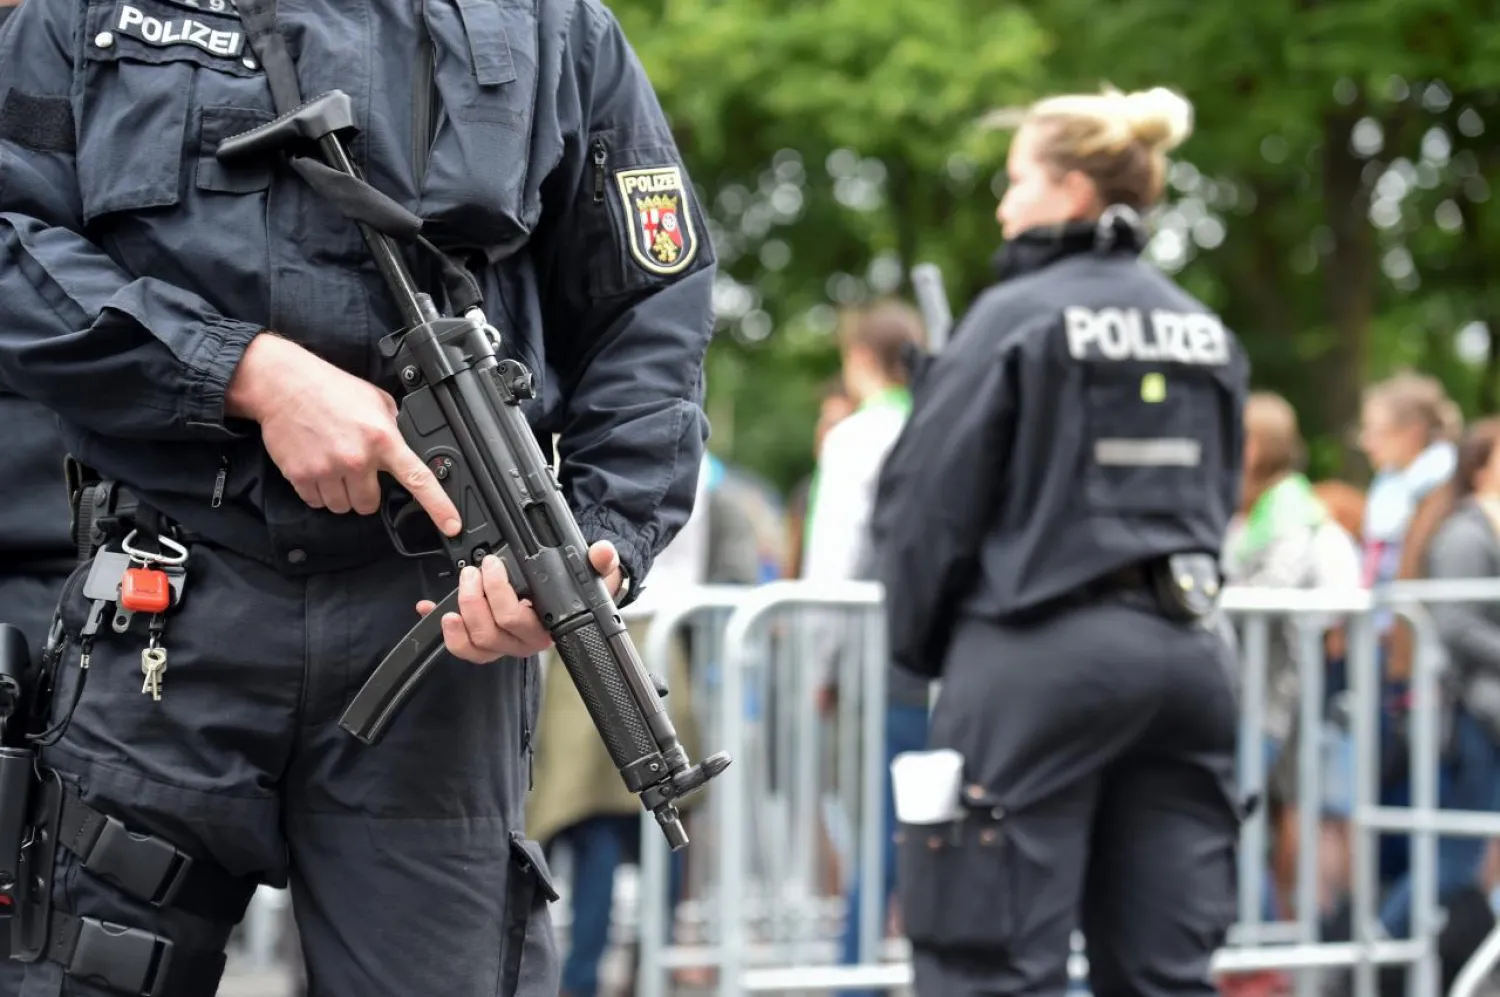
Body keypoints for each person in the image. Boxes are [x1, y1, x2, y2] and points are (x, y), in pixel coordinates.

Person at [0, 1, 715, 994]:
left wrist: (599, 537)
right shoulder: (84, 13)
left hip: (442, 627)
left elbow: (652, 299)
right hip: (167, 605)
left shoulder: (556, 23)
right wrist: (243, 372)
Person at [872, 85, 1249, 997]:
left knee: (991, 966)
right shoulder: (1206, 329)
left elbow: (923, 508)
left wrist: (924, 652)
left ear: (1074, 189)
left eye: (1015, 182)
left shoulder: (1014, 317)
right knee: (1167, 971)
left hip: (1039, 659)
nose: (1003, 205)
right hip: (1189, 659)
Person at [799, 300, 930, 990]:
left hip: (882, 657)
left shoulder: (857, 435)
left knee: (879, 825)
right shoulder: (947, 421)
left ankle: (857, 978)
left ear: (860, 360)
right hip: (957, 656)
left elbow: (835, 557)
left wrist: (818, 664)